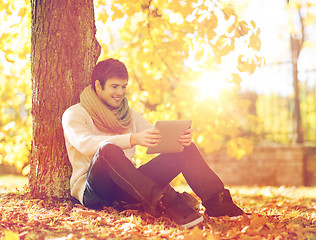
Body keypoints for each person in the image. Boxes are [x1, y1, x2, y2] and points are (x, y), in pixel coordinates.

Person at [62, 58, 245, 229]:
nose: (120, 92)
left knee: (185, 149)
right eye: (114, 86)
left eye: (124, 86)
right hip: (95, 190)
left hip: (131, 187)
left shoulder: (128, 114)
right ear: (98, 86)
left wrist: (179, 139)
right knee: (107, 151)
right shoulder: (75, 113)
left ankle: (217, 202)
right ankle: (165, 202)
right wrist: (133, 139)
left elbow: (157, 136)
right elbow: (85, 144)